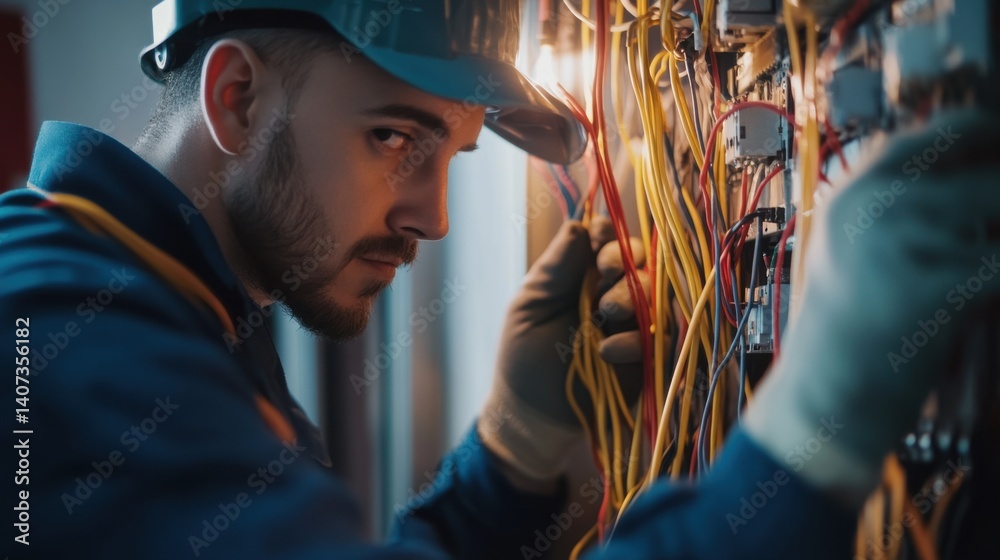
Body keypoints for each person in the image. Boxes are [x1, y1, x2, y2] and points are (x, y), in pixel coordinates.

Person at [3, 1, 998, 558]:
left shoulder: (187, 300)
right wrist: (807, 431)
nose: (432, 216)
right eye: (393, 137)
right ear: (234, 96)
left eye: (454, 156)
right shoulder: (59, 333)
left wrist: (510, 452)